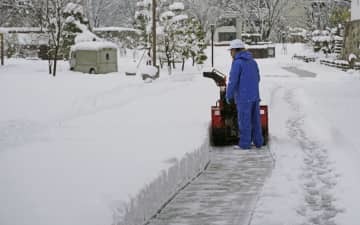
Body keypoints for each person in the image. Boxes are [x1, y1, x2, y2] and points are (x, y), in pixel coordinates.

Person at [226, 39, 264, 149]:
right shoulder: (253, 61)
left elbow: (233, 81)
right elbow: (258, 78)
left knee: (244, 121)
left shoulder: (237, 63)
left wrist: (229, 95)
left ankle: (244, 144)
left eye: (231, 51)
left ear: (236, 50)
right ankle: (258, 142)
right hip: (255, 97)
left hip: (243, 98)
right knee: (256, 120)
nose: (230, 53)